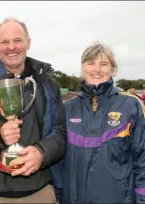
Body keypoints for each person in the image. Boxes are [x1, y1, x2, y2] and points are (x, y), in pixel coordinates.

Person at [0, 18, 67, 203]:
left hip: (40, 193)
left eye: (17, 40)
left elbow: (61, 133)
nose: (11, 47)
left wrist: (42, 152)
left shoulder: (47, 84)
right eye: (5, 42)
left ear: (28, 43)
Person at [62, 42, 145, 203]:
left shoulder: (131, 105)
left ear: (112, 69)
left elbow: (142, 159)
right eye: (91, 63)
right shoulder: (66, 108)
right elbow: (58, 163)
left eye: (104, 64)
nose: (97, 69)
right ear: (82, 68)